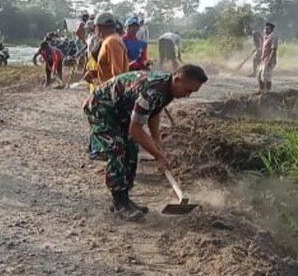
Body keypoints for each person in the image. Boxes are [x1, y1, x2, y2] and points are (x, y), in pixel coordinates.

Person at [83, 66, 209, 221]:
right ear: (178, 80)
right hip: (101, 108)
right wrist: (158, 156)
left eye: (192, 92)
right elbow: (135, 129)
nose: (188, 95)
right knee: (118, 149)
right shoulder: (153, 91)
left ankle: (125, 199)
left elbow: (153, 112)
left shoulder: (168, 87)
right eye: (188, 90)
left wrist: (156, 140)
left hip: (120, 110)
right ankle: (119, 203)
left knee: (132, 150)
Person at [86, 12, 129, 92]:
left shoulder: (112, 42)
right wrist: (95, 73)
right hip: (106, 88)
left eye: (95, 27)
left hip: (110, 92)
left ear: (99, 27)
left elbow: (117, 74)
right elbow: (109, 69)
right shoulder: (109, 40)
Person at [258, 22, 278, 93]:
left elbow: (273, 50)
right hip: (263, 60)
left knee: (266, 78)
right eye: (265, 29)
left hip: (269, 60)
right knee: (259, 76)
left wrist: (269, 61)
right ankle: (261, 91)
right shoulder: (265, 37)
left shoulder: (273, 37)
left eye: (267, 29)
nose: (265, 30)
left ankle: (267, 92)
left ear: (271, 30)